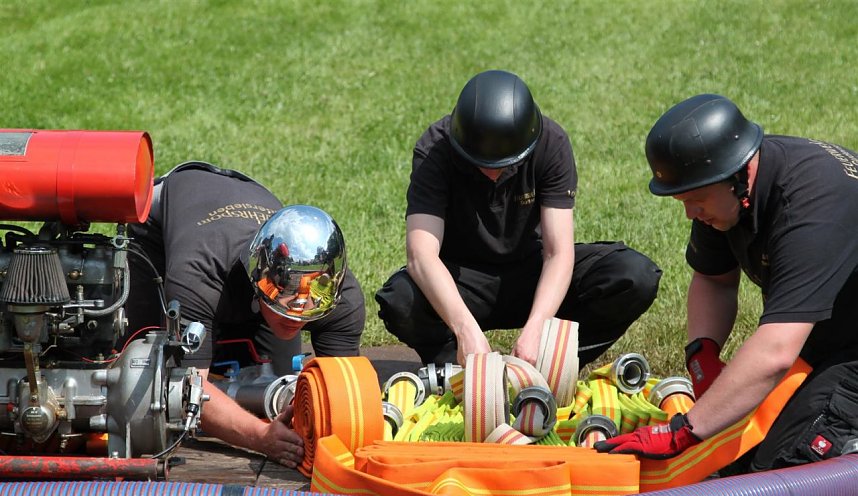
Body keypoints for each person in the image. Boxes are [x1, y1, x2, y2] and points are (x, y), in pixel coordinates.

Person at [596, 93, 858, 470]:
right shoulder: (725, 192)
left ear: (741, 175)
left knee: (781, 467)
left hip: (844, 346)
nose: (689, 212)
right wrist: (701, 355)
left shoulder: (810, 211)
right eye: (681, 200)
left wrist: (682, 431)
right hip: (825, 335)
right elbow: (713, 279)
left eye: (696, 199)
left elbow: (776, 351)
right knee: (733, 455)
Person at [376, 70, 662, 369]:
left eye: (506, 163)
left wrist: (538, 325)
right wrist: (465, 329)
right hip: (463, 279)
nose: (493, 172)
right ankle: (457, 370)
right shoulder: (435, 148)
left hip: (532, 269)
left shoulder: (551, 143)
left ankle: (553, 367)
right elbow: (421, 256)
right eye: (481, 163)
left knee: (633, 275)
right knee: (400, 299)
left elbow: (558, 252)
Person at [122, 161, 365, 467]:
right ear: (257, 278)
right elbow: (184, 389)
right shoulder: (199, 272)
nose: (298, 315)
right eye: (282, 299)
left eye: (309, 306)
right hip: (159, 223)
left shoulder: (342, 298)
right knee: (148, 385)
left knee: (277, 384)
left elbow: (344, 393)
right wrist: (261, 438)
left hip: (247, 194)